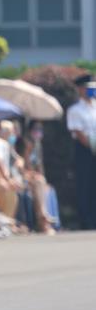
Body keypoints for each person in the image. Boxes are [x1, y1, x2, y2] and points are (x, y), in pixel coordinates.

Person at [67, 74, 96, 229]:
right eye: (87, 88)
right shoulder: (75, 110)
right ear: (80, 89)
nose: (91, 91)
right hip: (85, 150)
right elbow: (78, 133)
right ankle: (86, 220)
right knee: (85, 184)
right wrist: (92, 146)